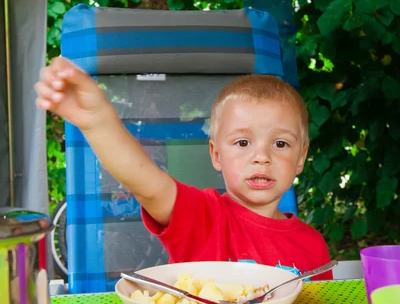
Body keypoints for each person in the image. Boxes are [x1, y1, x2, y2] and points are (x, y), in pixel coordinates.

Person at [35, 57, 331, 279]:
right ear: (216, 154)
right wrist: (98, 120)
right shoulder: (203, 216)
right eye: (242, 143)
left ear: (301, 158)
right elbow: (145, 182)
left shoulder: (313, 247)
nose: (261, 157)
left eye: (280, 144)